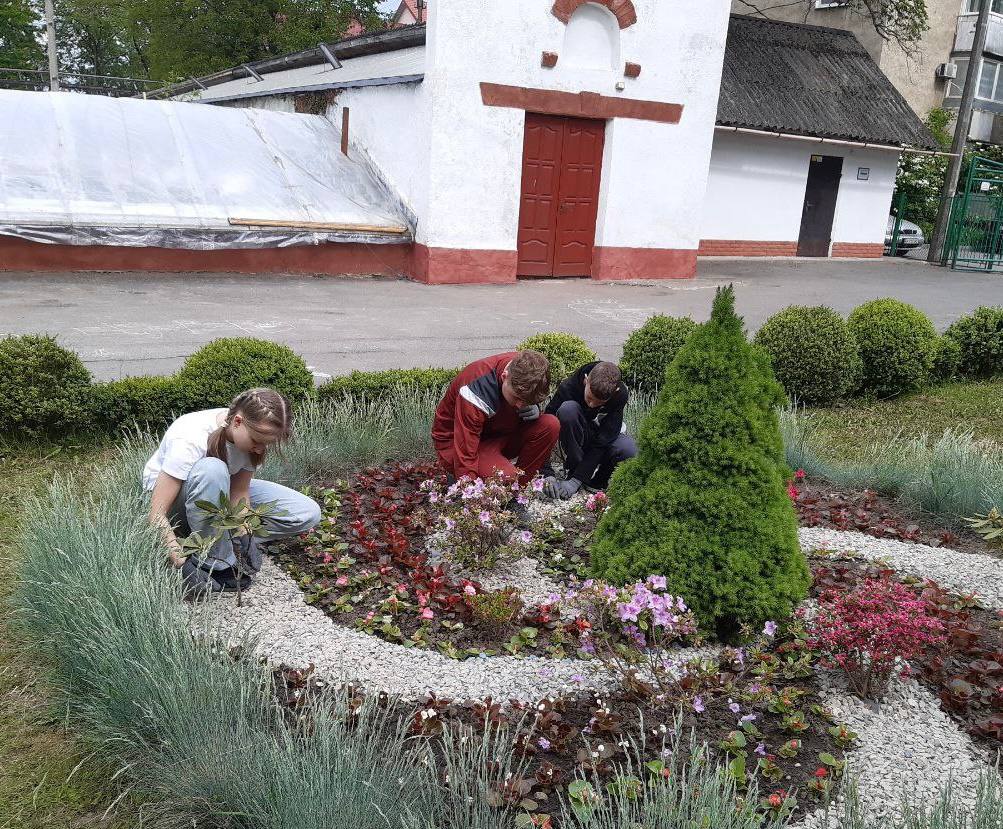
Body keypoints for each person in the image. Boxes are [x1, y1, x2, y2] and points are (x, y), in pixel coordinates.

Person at [144, 387, 321, 596]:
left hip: (217, 495)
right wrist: (180, 563)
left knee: (306, 512)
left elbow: (239, 493)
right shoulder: (190, 437)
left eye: (266, 445)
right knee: (212, 470)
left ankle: (222, 543)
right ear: (237, 422)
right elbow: (155, 514)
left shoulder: (248, 435)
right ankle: (211, 562)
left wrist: (244, 533)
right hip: (176, 508)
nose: (260, 450)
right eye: (257, 442)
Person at [432, 350, 559, 487]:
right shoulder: (476, 389)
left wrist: (533, 405)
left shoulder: (526, 370)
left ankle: (518, 489)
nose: (520, 405)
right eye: (516, 398)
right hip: (457, 441)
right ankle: (469, 479)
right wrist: (468, 489)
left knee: (550, 424)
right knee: (504, 477)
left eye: (526, 401)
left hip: (499, 433)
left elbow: (526, 400)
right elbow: (465, 451)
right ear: (505, 376)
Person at [543, 360, 637, 499]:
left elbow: (605, 439)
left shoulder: (620, 395)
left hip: (601, 440)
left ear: (615, 391)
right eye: (589, 398)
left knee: (629, 448)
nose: (592, 405)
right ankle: (573, 468)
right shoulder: (568, 387)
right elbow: (546, 427)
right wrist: (547, 473)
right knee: (568, 410)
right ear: (586, 380)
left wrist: (577, 480)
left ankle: (597, 481)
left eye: (599, 403)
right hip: (578, 438)